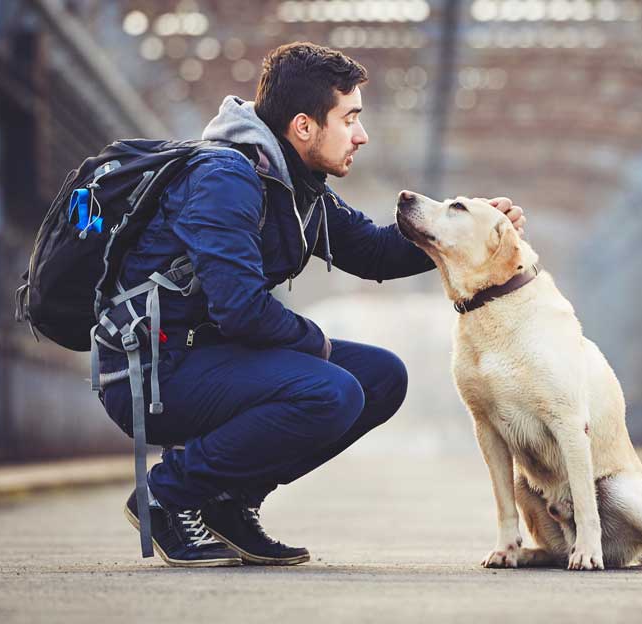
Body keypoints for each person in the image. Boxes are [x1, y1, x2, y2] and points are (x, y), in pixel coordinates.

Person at [99, 42, 526, 567]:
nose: (361, 135)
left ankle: (230, 503)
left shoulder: (298, 186)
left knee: (381, 377)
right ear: (303, 126)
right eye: (350, 119)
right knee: (331, 392)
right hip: (155, 371)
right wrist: (317, 344)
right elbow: (241, 309)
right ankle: (167, 494)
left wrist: (457, 231)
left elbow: (371, 250)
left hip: (213, 357)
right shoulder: (224, 179)